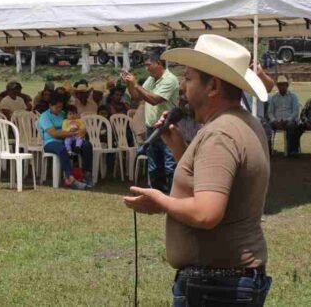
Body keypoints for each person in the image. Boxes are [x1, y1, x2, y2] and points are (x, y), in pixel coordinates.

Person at [123, 34, 272, 306]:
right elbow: (209, 183)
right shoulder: (242, 123)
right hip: (225, 284)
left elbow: (206, 213)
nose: (182, 86)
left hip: (215, 288)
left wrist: (161, 201)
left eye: (189, 79)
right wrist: (178, 146)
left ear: (212, 86)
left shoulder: (220, 134)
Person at [122, 51, 180, 194]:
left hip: (167, 128)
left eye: (149, 65)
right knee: (154, 165)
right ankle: (156, 195)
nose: (146, 68)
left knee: (169, 163)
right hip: (151, 128)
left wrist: (136, 85)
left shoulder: (169, 79)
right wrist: (130, 84)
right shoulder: (151, 79)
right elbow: (136, 97)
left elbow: (154, 100)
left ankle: (173, 196)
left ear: (158, 63)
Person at [37, 93, 94, 189]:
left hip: (67, 139)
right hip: (51, 142)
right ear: (50, 105)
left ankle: (86, 174)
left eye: (61, 107)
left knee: (86, 145)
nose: (59, 110)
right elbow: (54, 133)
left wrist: (81, 130)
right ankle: (70, 178)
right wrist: (74, 133)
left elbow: (77, 124)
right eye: (57, 107)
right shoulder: (44, 117)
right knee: (62, 149)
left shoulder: (63, 114)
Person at [266, 76, 300, 158]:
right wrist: (274, 121)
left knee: (291, 126)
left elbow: (295, 111)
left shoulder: (293, 96)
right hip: (277, 121)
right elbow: (270, 112)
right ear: (277, 86)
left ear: (287, 85)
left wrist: (287, 120)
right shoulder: (274, 98)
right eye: (280, 85)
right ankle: (268, 151)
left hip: (289, 120)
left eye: (283, 85)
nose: (281, 87)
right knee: (267, 127)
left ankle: (291, 151)